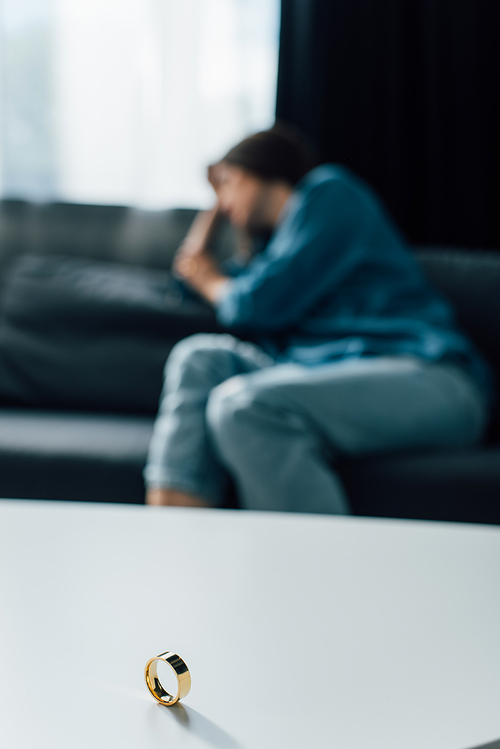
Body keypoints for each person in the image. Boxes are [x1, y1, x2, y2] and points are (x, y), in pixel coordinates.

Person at [144, 123, 491, 513]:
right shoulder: (272, 255)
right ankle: (177, 546)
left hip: (429, 379)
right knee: (199, 358)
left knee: (244, 406)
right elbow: (188, 278)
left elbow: (251, 304)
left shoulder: (329, 193)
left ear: (260, 167)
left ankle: (320, 574)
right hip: (321, 373)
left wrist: (208, 276)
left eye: (229, 182)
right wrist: (215, 212)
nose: (224, 202)